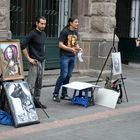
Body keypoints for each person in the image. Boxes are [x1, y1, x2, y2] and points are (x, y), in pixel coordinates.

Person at [52, 17, 81, 102]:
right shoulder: (65, 32)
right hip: (65, 56)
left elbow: (76, 44)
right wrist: (70, 49)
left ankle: (64, 94)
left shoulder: (75, 32)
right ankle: (55, 94)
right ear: (71, 23)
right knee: (63, 75)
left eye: (77, 22)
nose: (77, 23)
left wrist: (78, 48)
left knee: (68, 75)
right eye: (76, 22)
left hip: (73, 56)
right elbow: (60, 45)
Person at [20, 16, 47, 108]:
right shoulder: (32, 34)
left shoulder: (43, 34)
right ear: (37, 23)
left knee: (39, 84)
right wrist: (28, 58)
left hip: (42, 61)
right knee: (30, 84)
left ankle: (36, 101)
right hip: (34, 62)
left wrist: (43, 56)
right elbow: (22, 45)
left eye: (44, 24)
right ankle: (27, 103)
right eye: (41, 23)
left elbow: (42, 46)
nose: (43, 25)